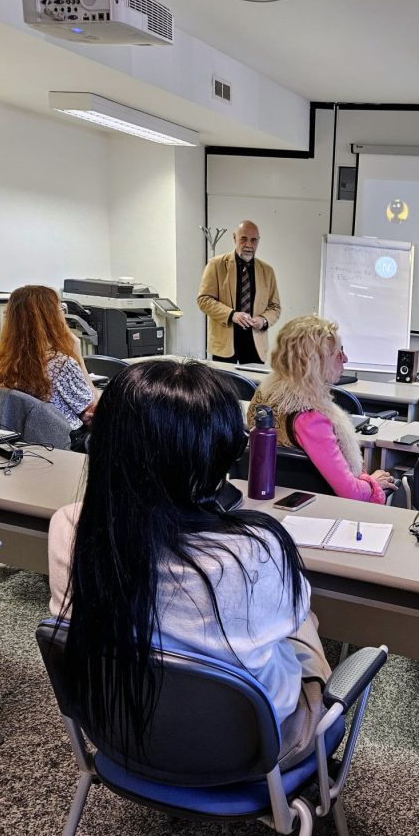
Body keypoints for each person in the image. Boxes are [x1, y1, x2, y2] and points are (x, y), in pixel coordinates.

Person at [48, 360, 331, 769]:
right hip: (251, 749)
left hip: (119, 729)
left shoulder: (70, 526)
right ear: (220, 457)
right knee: (305, 625)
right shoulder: (257, 551)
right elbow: (294, 613)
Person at [247, 314, 397, 502]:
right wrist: (372, 483)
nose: (346, 359)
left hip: (274, 502)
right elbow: (352, 493)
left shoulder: (263, 397)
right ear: (316, 363)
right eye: (338, 354)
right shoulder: (311, 419)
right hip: (320, 509)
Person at [0, 284, 96, 429]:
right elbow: (94, 413)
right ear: (51, 318)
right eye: (60, 310)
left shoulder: (2, 363)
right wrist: (78, 358)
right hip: (67, 443)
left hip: (27, 443)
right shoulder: (61, 364)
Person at [197, 220, 281, 364]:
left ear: (258, 241)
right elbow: (204, 300)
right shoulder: (216, 265)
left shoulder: (267, 271)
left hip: (255, 346)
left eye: (254, 240)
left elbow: (275, 307)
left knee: (252, 386)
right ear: (234, 238)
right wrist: (232, 315)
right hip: (224, 345)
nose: (249, 245)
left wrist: (264, 320)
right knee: (223, 386)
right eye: (244, 239)